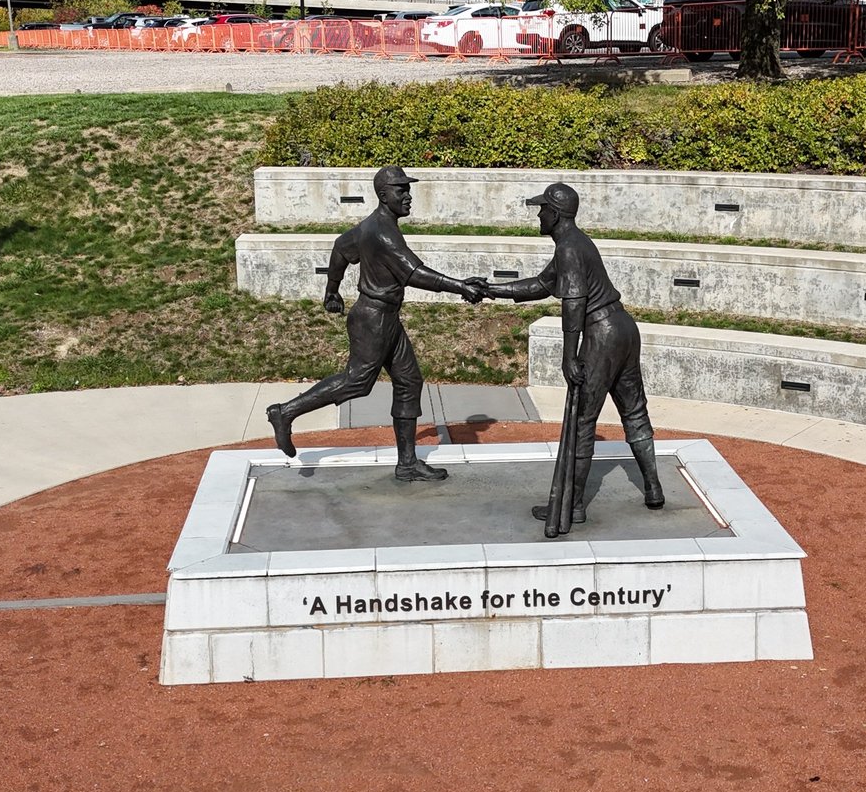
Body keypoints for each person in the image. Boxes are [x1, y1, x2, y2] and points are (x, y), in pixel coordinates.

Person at [266, 166, 487, 481]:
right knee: (357, 381)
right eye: (401, 191)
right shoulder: (383, 232)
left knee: (409, 382)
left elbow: (341, 249)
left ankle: (408, 462)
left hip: (386, 318)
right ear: (384, 195)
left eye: (408, 190)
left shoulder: (370, 226)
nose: (408, 197)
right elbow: (416, 274)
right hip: (373, 318)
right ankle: (285, 412)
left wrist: (332, 290)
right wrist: (461, 286)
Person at [480, 182, 664, 537]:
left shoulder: (569, 248)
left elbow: (574, 302)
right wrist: (490, 290)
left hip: (602, 334)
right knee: (635, 411)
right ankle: (653, 488)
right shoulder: (576, 244)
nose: (539, 215)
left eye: (542, 209)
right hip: (623, 327)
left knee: (582, 420)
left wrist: (569, 357)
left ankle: (573, 505)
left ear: (556, 213)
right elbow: (539, 286)